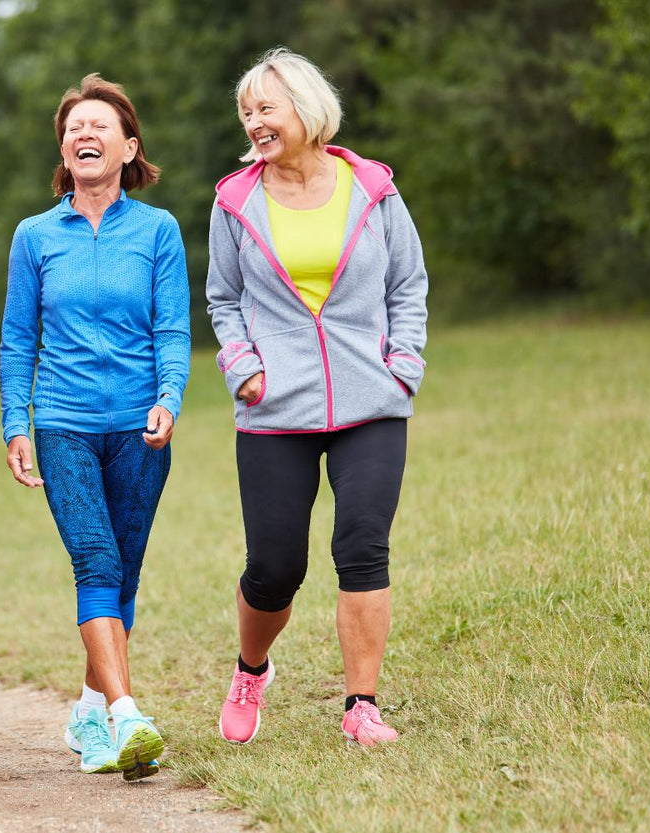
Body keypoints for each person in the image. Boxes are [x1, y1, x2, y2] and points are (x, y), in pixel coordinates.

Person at [206, 48, 428, 747]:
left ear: (305, 107)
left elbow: (408, 284)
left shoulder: (374, 188)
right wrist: (243, 366)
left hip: (371, 397)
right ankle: (251, 668)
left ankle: (361, 703)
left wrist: (403, 365)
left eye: (266, 108)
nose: (255, 122)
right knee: (276, 566)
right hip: (274, 406)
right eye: (247, 112)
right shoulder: (235, 201)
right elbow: (223, 296)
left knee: (363, 546)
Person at [0, 74, 190, 780]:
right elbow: (19, 339)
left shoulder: (158, 230)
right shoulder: (35, 235)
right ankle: (127, 713)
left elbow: (173, 326)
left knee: (124, 572)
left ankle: (89, 708)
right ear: (63, 147)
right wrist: (14, 422)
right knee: (95, 560)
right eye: (74, 125)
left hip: (142, 426)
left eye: (99, 125)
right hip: (64, 422)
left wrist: (170, 395)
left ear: (128, 146)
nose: (84, 133)